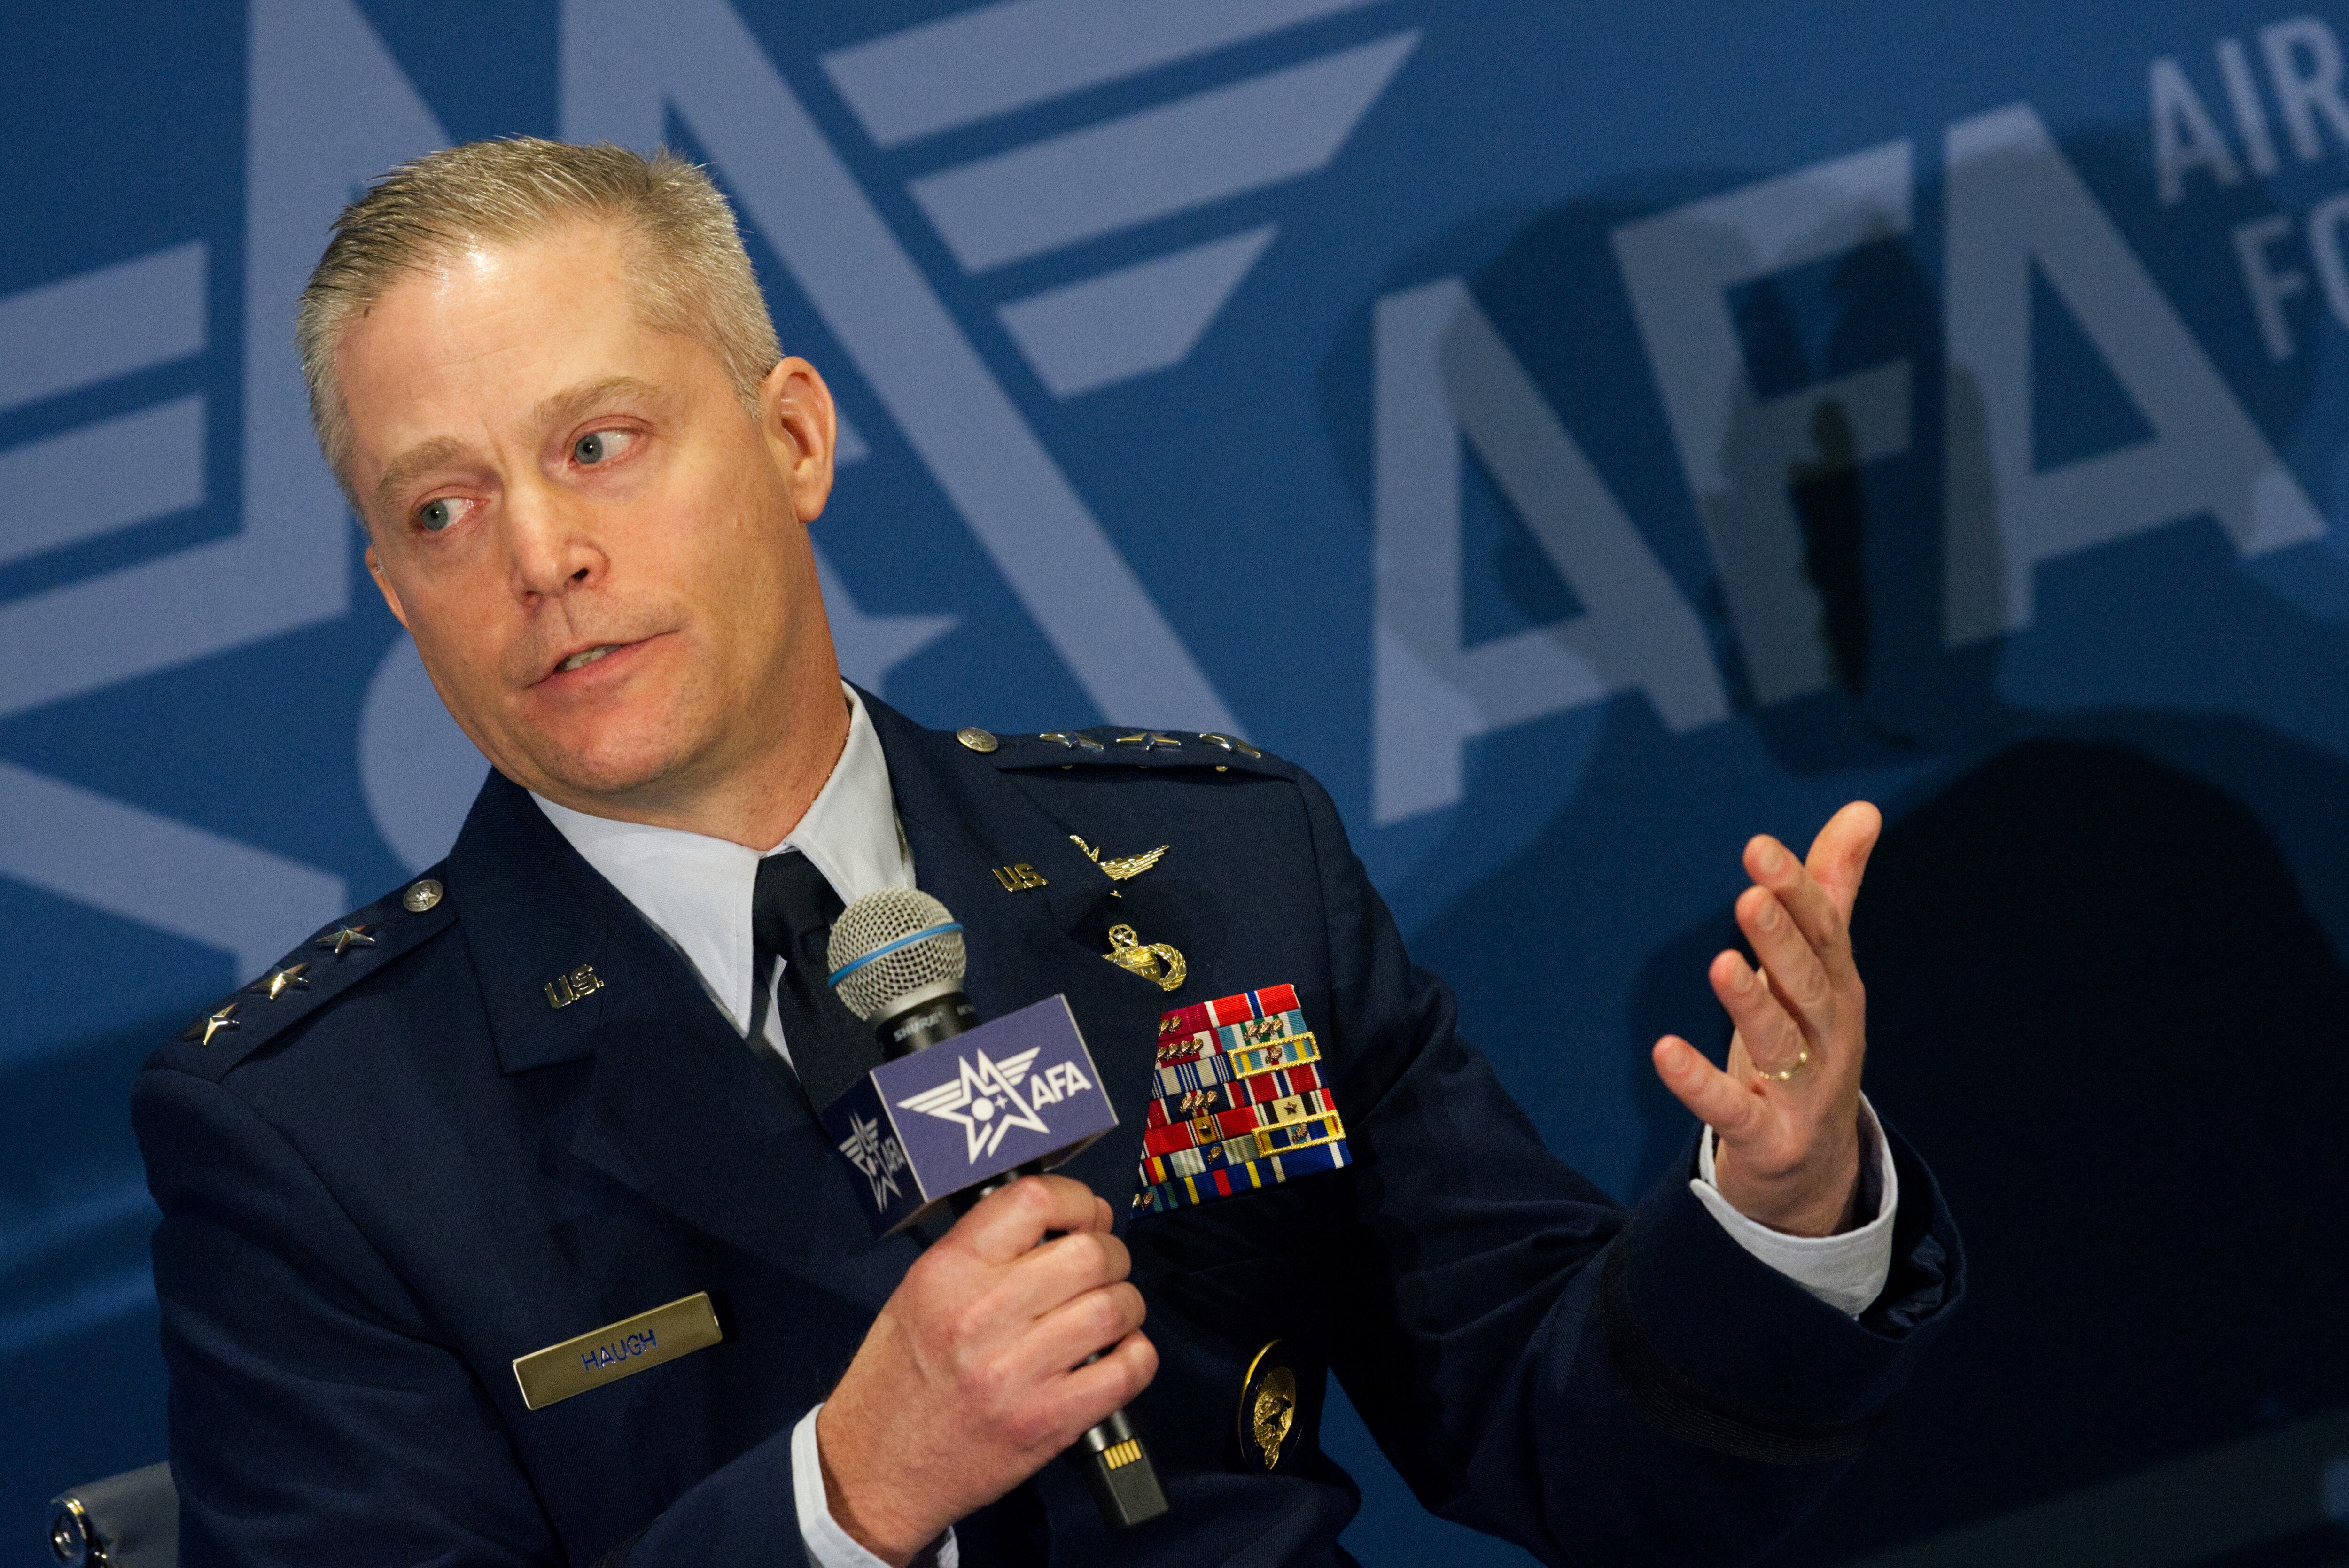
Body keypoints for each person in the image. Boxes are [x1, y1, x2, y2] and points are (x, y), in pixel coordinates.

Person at [132, 139, 1961, 1568]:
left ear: (789, 440)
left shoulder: (1217, 875)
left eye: (598, 444)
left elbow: (1566, 1446)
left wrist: (1781, 1222)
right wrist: (848, 1494)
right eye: (440, 506)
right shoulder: (319, 1135)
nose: (537, 555)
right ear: (392, 588)